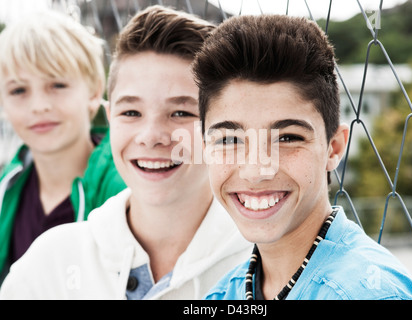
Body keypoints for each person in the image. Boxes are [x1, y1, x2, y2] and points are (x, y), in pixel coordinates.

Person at [0, 5, 251, 300]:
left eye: (181, 112)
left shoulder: (274, 263)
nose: (151, 137)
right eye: (131, 112)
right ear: (110, 117)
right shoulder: (45, 265)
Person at [193, 14, 412, 300]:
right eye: (229, 140)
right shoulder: (224, 294)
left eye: (288, 138)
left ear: (334, 148)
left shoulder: (370, 294)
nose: (255, 170)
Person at [0, 10, 126, 285]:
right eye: (18, 91)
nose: (39, 106)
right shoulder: (6, 187)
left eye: (57, 85)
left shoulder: (125, 189)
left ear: (94, 93)